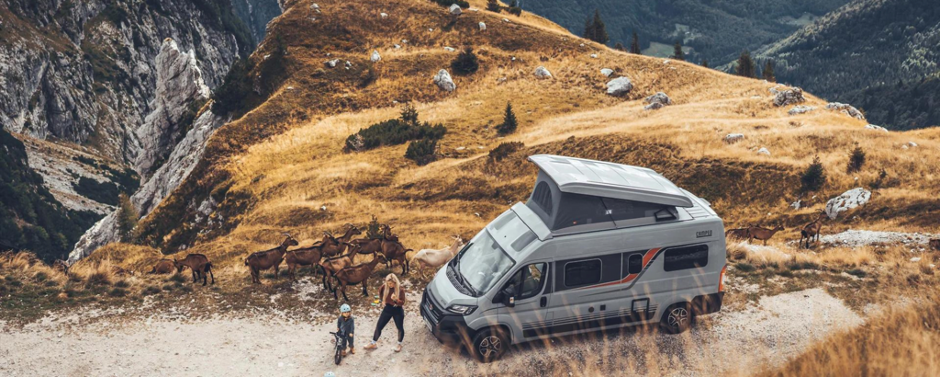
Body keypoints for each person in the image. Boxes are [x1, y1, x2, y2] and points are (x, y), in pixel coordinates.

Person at [364, 274, 407, 352]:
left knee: (400, 328)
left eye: (391, 283)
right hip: (388, 309)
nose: (390, 285)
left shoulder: (400, 290)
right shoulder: (384, 287)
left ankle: (399, 344)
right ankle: (373, 343)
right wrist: (382, 300)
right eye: (388, 283)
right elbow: (380, 293)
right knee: (379, 326)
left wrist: (395, 300)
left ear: (395, 282)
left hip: (397, 309)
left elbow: (402, 302)